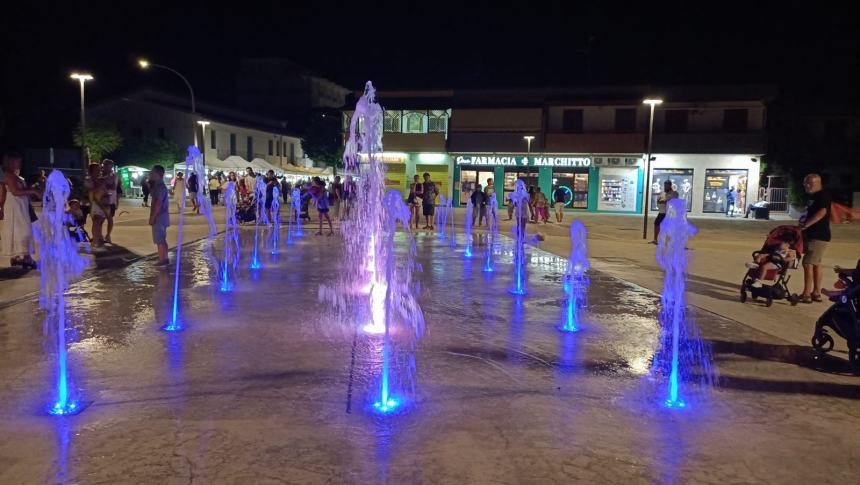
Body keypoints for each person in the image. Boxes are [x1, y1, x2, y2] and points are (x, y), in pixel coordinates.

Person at [1, 152, 40, 268]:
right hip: (14, 206)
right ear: (11, 162)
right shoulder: (8, 174)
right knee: (22, 231)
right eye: (18, 161)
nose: (20, 163)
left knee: (20, 230)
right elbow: (15, 191)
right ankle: (25, 257)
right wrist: (32, 191)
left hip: (19, 205)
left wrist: (31, 189)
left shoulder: (14, 174)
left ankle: (18, 257)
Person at [798, 173, 831, 303]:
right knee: (816, 264)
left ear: (818, 183)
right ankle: (816, 293)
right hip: (812, 235)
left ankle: (806, 294)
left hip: (818, 235)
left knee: (807, 263)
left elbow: (822, 212)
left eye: (809, 183)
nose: (806, 185)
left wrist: (805, 225)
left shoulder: (822, 196)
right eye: (805, 183)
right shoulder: (813, 197)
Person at [148, 165, 170, 267]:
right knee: (162, 239)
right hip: (163, 217)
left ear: (158, 174)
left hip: (159, 217)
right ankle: (165, 258)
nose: (150, 174)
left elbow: (158, 203)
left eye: (152, 173)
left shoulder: (160, 187)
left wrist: (152, 217)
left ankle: (162, 260)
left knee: (159, 240)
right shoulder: (159, 186)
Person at [85, 163, 109, 250]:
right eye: (97, 169)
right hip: (95, 204)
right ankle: (96, 241)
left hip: (102, 203)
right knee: (96, 221)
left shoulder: (100, 180)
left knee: (100, 222)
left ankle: (98, 239)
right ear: (92, 171)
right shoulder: (89, 180)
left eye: (99, 169)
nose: (99, 171)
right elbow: (90, 192)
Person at [652, 180, 678, 244]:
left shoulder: (674, 193)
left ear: (670, 185)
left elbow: (672, 201)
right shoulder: (662, 193)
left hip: (669, 212)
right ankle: (655, 239)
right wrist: (660, 201)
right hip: (661, 212)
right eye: (664, 185)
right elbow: (659, 200)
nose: (665, 186)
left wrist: (664, 201)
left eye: (667, 185)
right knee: (656, 224)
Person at [102, 159, 118, 243]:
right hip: (100, 200)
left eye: (107, 165)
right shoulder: (100, 174)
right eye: (104, 165)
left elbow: (114, 188)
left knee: (109, 218)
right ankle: (99, 235)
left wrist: (117, 201)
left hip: (110, 201)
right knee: (98, 219)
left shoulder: (114, 175)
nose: (105, 167)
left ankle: (108, 235)